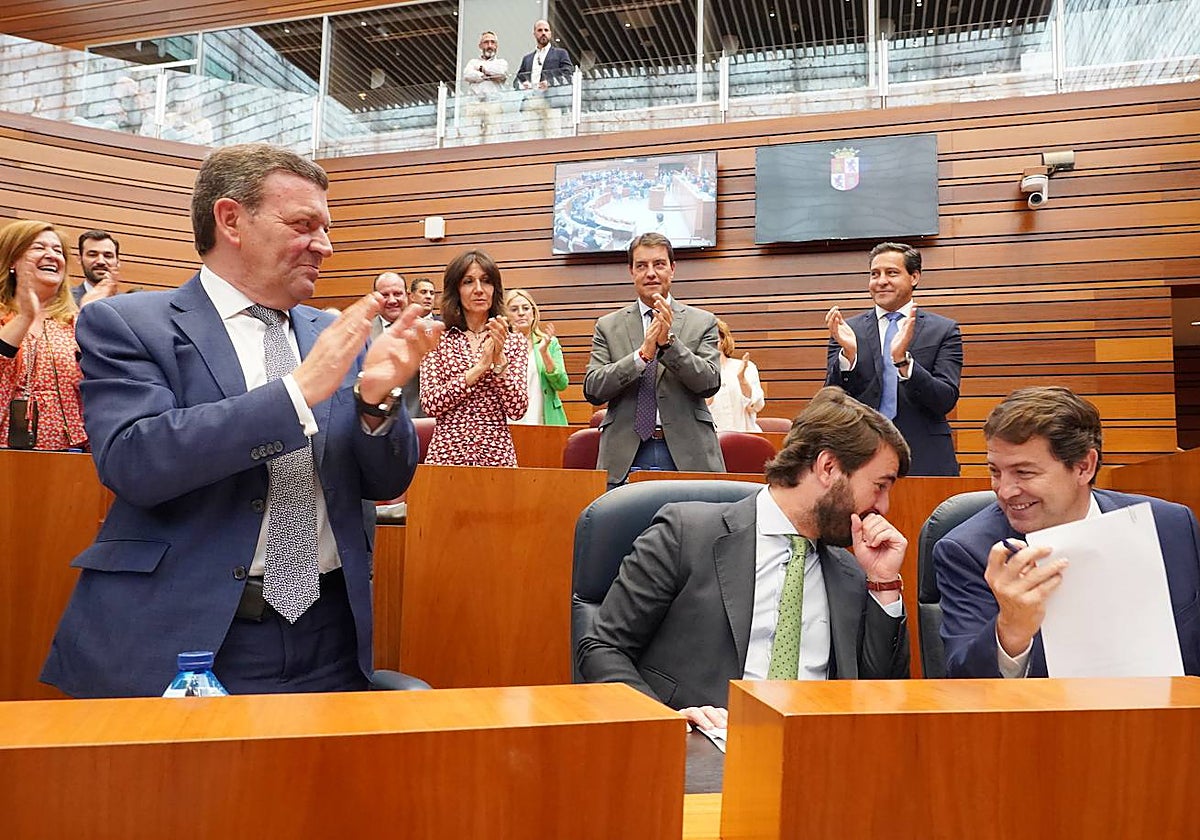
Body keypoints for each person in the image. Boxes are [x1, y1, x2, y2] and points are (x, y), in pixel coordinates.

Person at [40, 143, 443, 698]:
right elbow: (135, 460)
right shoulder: (129, 323)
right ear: (230, 219)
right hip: (186, 635)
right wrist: (296, 393)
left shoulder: (338, 338)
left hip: (329, 633)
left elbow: (385, 482)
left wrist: (377, 403)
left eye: (326, 228)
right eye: (304, 224)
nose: (323, 246)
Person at [578, 386, 911, 730]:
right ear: (828, 468)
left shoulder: (850, 572)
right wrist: (665, 722)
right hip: (701, 755)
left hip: (816, 756)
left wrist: (883, 583)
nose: (884, 507)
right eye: (880, 486)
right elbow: (602, 648)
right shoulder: (686, 535)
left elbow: (881, 693)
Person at [934, 386, 1200, 678]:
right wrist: (1011, 631)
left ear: (1084, 467)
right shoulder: (968, 550)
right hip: (1048, 720)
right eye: (996, 472)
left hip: (1173, 715)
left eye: (1024, 472)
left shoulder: (1171, 525)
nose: (1005, 491)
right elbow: (965, 688)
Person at [583, 232, 723, 487]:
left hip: (688, 453)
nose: (651, 273)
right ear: (631, 271)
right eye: (641, 266)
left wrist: (669, 344)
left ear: (672, 269)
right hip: (625, 453)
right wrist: (641, 356)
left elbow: (709, 382)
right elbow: (593, 389)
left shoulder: (702, 322)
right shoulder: (608, 326)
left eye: (659, 264)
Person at [825, 241, 962, 476]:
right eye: (874, 274)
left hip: (925, 455)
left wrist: (904, 363)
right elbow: (832, 400)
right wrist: (849, 356)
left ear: (914, 277)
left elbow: (945, 399)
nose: (881, 281)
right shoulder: (848, 330)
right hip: (860, 455)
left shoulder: (944, 330)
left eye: (892, 273)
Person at [0, 220, 112, 451]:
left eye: (57, 250)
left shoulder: (73, 321)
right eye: (39, 248)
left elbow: (103, 383)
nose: (51, 255)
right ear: (12, 260)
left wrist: (88, 320)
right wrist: (24, 318)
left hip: (71, 454)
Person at [420, 249, 528, 466]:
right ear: (456, 290)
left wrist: (499, 362)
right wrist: (478, 369)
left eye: (486, 281)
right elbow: (430, 403)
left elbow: (517, 409)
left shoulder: (513, 340)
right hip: (447, 456)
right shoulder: (436, 338)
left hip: (497, 458)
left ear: (494, 289)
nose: (479, 290)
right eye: (468, 282)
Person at [505, 288, 568, 425]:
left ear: (533, 313)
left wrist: (544, 353)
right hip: (509, 421)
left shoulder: (550, 343)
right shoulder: (500, 345)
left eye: (526, 308)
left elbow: (561, 384)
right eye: (514, 309)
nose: (521, 313)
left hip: (543, 419)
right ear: (506, 316)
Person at [513, 19, 574, 136]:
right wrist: (523, 85)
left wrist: (550, 82)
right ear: (535, 34)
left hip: (551, 102)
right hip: (530, 102)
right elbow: (517, 80)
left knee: (552, 138)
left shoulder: (560, 53)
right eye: (540, 30)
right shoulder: (528, 58)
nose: (543, 33)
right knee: (529, 138)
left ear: (550, 33)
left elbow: (568, 74)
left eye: (546, 30)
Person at [708, 318, 764, 432]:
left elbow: (756, 406)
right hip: (713, 441)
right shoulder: (697, 371)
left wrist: (741, 379)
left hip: (746, 439)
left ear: (723, 339)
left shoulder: (745, 367)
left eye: (713, 336)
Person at [462, 30, 509, 143]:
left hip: (493, 105)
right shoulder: (472, 62)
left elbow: (501, 73)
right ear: (480, 45)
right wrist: (488, 76)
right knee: (471, 140)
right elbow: (467, 75)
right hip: (474, 105)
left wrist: (482, 69)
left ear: (496, 46)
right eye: (486, 42)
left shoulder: (501, 62)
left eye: (492, 42)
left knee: (492, 139)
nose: (489, 46)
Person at [73, 229, 122, 305]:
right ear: (80, 259)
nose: (101, 261)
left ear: (118, 261)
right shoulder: (62, 300)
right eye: (92, 255)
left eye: (108, 256)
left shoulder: (126, 305)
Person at [370, 271, 408, 341]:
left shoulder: (426, 329)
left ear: (406, 295)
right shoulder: (364, 334)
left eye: (397, 294)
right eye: (385, 295)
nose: (392, 301)